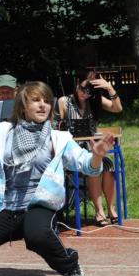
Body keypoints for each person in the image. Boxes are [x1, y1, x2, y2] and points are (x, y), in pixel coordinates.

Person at [0, 81, 114, 276]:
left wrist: (97, 156)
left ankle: (70, 265)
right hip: (7, 207)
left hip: (39, 206)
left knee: (37, 235)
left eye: (47, 101)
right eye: (36, 100)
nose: (43, 105)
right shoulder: (3, 132)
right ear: (23, 106)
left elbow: (87, 165)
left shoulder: (58, 138)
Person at [54, 69, 123, 226]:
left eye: (90, 91)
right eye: (83, 88)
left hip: (93, 148)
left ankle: (111, 209)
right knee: (94, 165)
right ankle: (99, 211)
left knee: (109, 165)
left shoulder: (95, 101)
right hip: (72, 151)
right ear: (77, 84)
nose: (85, 94)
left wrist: (109, 88)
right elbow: (56, 127)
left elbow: (117, 108)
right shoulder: (65, 101)